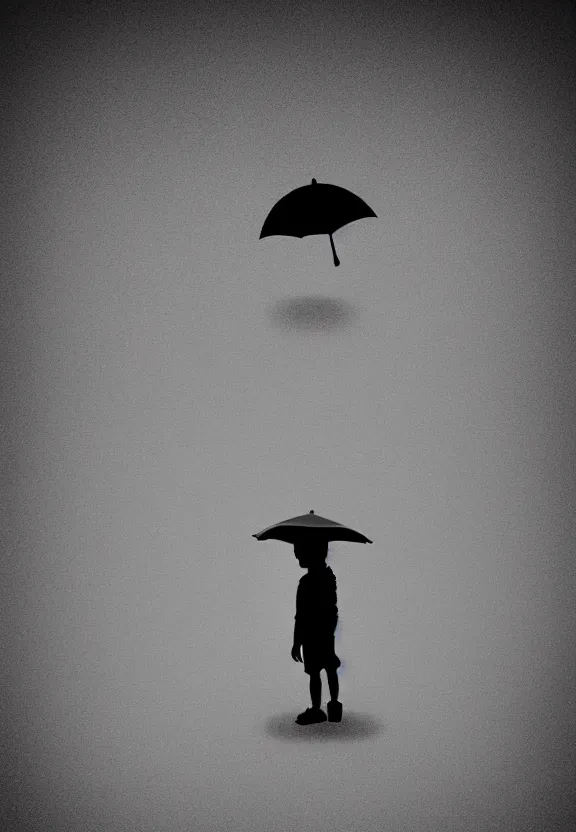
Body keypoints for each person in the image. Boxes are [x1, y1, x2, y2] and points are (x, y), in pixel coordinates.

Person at [291, 538, 343, 724]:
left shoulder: (306, 583)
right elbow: (333, 610)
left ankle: (316, 708)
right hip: (325, 633)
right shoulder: (329, 578)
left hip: (312, 635)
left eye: (299, 554)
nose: (297, 558)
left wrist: (297, 642)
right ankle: (334, 705)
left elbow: (300, 616)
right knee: (330, 669)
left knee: (315, 672)